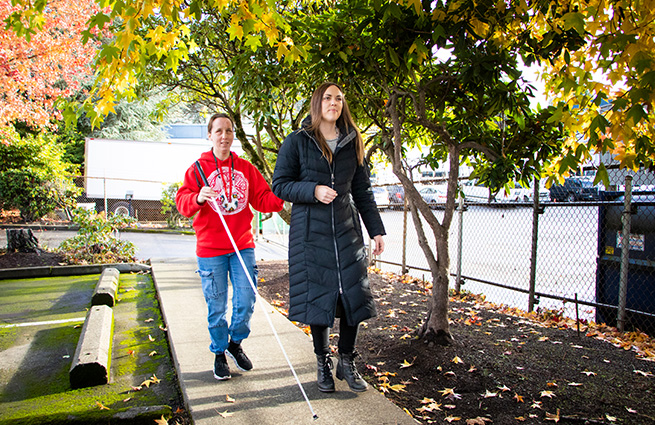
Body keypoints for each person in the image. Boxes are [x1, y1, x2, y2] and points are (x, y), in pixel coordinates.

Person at [272, 82, 386, 393]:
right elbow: (280, 184)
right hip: (311, 232)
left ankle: (346, 360)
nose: (333, 102)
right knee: (319, 298)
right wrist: (312, 190)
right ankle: (322, 361)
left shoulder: (352, 141)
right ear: (317, 102)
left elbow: (362, 190)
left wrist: (376, 229)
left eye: (338, 98)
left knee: (354, 295)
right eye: (327, 97)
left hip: (347, 231)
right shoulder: (297, 141)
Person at [176, 113, 284, 380]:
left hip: (241, 245)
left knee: (246, 299)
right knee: (216, 305)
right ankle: (219, 352)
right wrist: (198, 197)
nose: (224, 136)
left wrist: (284, 195)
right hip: (211, 249)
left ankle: (235, 343)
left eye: (229, 131)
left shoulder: (245, 168)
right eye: (219, 131)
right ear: (210, 135)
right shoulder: (197, 169)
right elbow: (182, 201)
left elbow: (261, 198)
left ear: (233, 134)